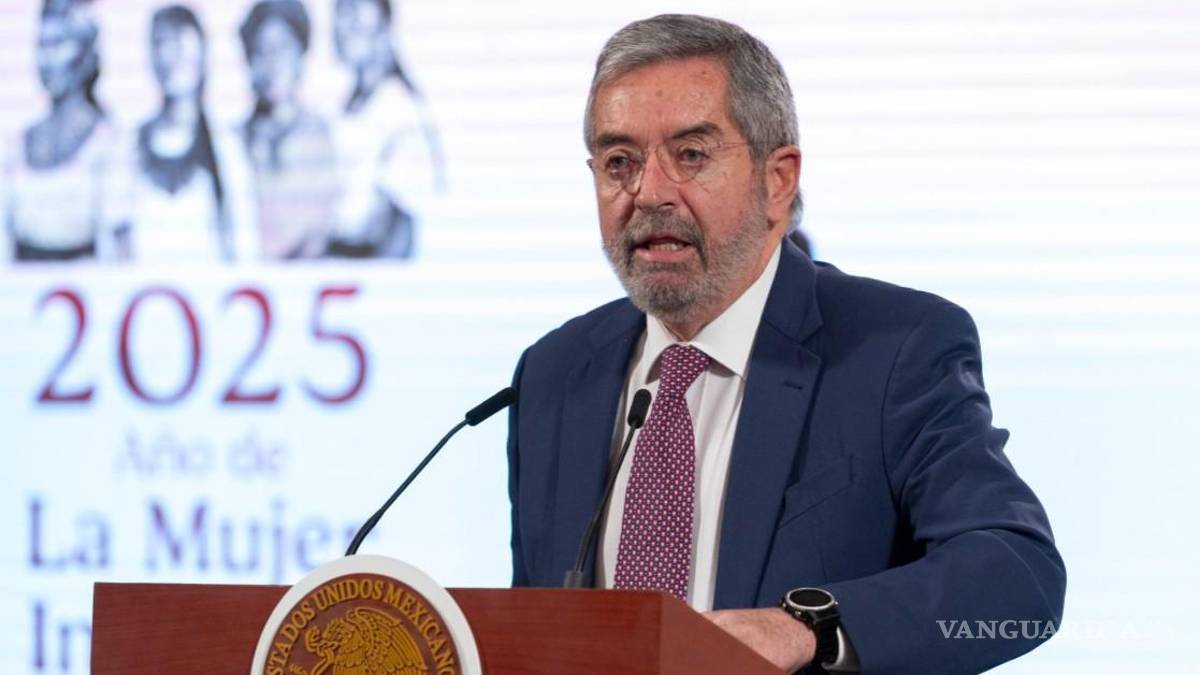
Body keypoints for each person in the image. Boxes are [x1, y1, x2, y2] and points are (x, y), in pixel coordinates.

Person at [506, 14, 1065, 674]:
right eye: (619, 162)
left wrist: (807, 628)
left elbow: (1020, 580)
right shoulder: (555, 373)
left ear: (778, 180)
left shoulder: (895, 349)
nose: (649, 193)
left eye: (691, 155)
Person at [115, 4, 257, 262]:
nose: (171, 57)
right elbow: (114, 235)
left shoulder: (225, 146)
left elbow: (243, 239)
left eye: (181, 45)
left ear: (201, 56)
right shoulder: (128, 144)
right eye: (161, 43)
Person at [3, 0, 121, 261]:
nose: (47, 59)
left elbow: (117, 248)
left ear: (85, 52)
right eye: (42, 45)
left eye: (58, 44)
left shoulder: (109, 142)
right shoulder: (17, 144)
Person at [326, 0, 443, 259]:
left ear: (383, 25)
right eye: (339, 15)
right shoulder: (350, 106)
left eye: (353, 16)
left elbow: (404, 223)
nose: (342, 27)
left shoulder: (398, 109)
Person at [238, 0, 338, 260]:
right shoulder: (233, 141)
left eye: (282, 48)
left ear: (301, 54)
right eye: (261, 51)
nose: (272, 62)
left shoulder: (325, 137)